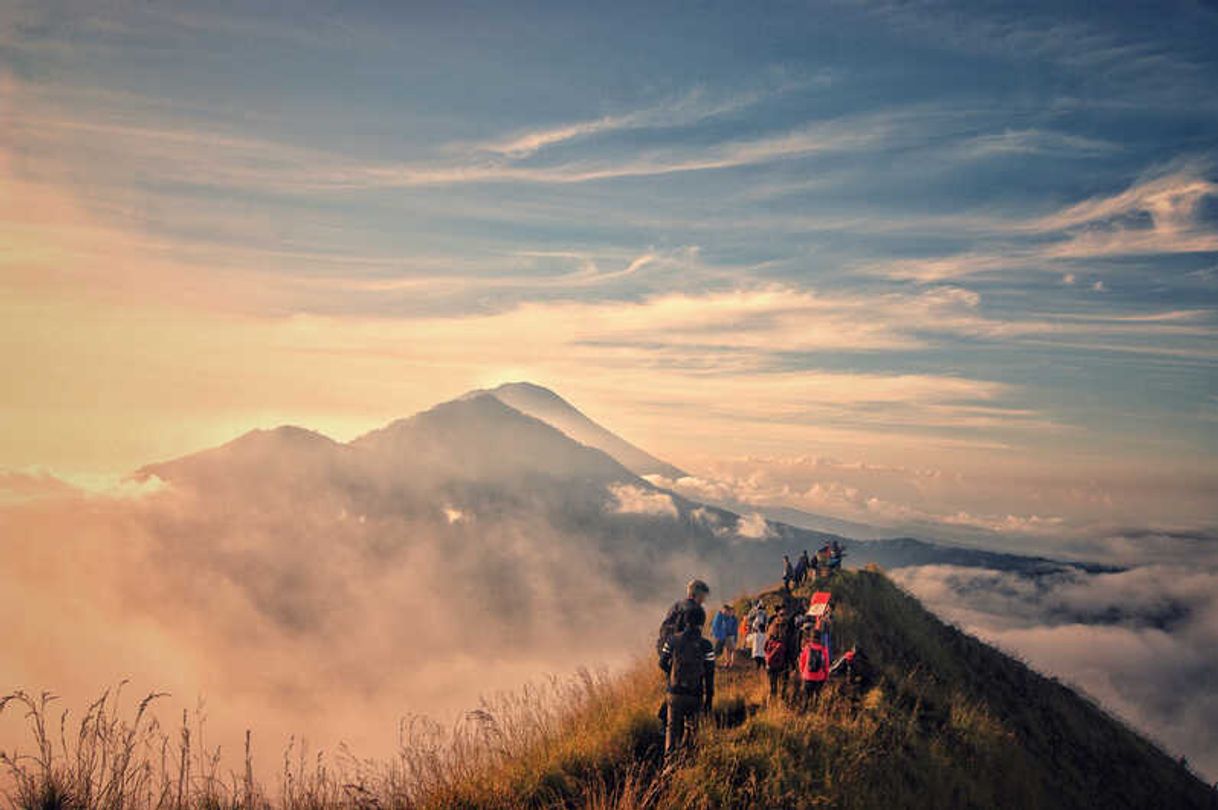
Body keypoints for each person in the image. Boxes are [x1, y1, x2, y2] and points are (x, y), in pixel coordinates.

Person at [659, 604, 716, 756]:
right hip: (695, 694)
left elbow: (662, 663)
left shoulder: (672, 640)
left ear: (685, 621)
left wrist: (671, 674)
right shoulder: (706, 645)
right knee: (692, 728)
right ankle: (689, 760)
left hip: (675, 693)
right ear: (702, 623)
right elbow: (710, 674)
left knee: (672, 728)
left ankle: (669, 764)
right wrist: (709, 698)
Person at [657, 579, 710, 656]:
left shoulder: (676, 606)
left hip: (665, 648)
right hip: (683, 653)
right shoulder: (698, 611)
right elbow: (695, 636)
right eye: (704, 596)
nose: (704, 599)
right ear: (698, 595)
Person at [764, 608, 796, 703]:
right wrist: (792, 663)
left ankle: (771, 705)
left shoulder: (771, 628)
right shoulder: (789, 629)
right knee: (783, 685)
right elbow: (791, 648)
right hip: (784, 662)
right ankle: (782, 702)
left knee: (773, 687)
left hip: (771, 663)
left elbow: (765, 647)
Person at [798, 629, 831, 709]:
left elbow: (802, 662)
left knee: (806, 698)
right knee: (817, 697)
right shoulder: (823, 649)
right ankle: (815, 712)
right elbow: (826, 665)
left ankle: (804, 713)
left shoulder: (807, 647)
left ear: (811, 637)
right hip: (819, 678)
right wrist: (826, 676)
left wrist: (802, 673)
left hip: (807, 677)